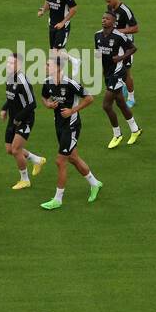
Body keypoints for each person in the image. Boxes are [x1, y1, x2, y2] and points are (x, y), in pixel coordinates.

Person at [39, 58, 103, 210]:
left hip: (72, 125)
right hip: (59, 125)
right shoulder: (48, 82)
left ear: (59, 67)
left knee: (60, 161)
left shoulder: (70, 83)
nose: (46, 66)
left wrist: (73, 110)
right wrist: (48, 104)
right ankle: (95, 183)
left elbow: (89, 98)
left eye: (49, 65)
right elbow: (44, 97)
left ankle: (58, 199)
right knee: (73, 158)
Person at [95, 11, 141, 148]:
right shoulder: (97, 35)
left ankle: (117, 134)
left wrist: (120, 58)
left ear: (113, 22)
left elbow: (133, 48)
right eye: (103, 18)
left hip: (118, 72)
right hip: (108, 73)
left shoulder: (119, 36)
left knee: (106, 105)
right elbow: (99, 54)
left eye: (107, 18)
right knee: (120, 102)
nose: (104, 20)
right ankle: (135, 129)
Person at [1, 54, 47, 189]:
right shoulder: (9, 78)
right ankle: (37, 160)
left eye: (12, 63)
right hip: (13, 119)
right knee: (9, 149)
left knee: (16, 150)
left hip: (25, 119)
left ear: (19, 65)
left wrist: (18, 118)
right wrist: (4, 109)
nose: (8, 65)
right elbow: (11, 98)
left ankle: (25, 180)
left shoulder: (22, 81)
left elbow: (32, 103)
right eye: (7, 62)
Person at [104, 0, 139, 106]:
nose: (108, 4)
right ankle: (121, 87)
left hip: (126, 45)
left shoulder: (125, 10)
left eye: (109, 1)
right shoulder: (110, 8)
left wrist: (119, 31)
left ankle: (131, 97)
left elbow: (135, 28)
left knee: (127, 71)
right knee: (112, 68)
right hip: (114, 43)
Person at [38, 0, 77, 68]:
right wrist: (43, 10)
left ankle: (52, 71)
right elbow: (48, 2)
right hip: (52, 24)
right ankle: (74, 61)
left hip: (63, 27)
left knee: (54, 52)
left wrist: (63, 22)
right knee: (56, 51)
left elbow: (74, 9)